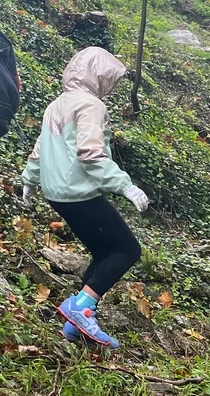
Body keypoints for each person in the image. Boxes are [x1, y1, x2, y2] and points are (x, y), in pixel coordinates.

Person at [22, 47, 148, 348]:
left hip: (56, 193)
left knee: (103, 251)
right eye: (110, 80)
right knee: (128, 250)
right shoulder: (91, 106)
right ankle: (80, 308)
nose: (111, 87)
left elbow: (40, 149)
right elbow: (91, 154)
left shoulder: (56, 104)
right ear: (99, 76)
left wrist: (29, 179)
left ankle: (76, 324)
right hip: (78, 192)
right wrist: (126, 186)